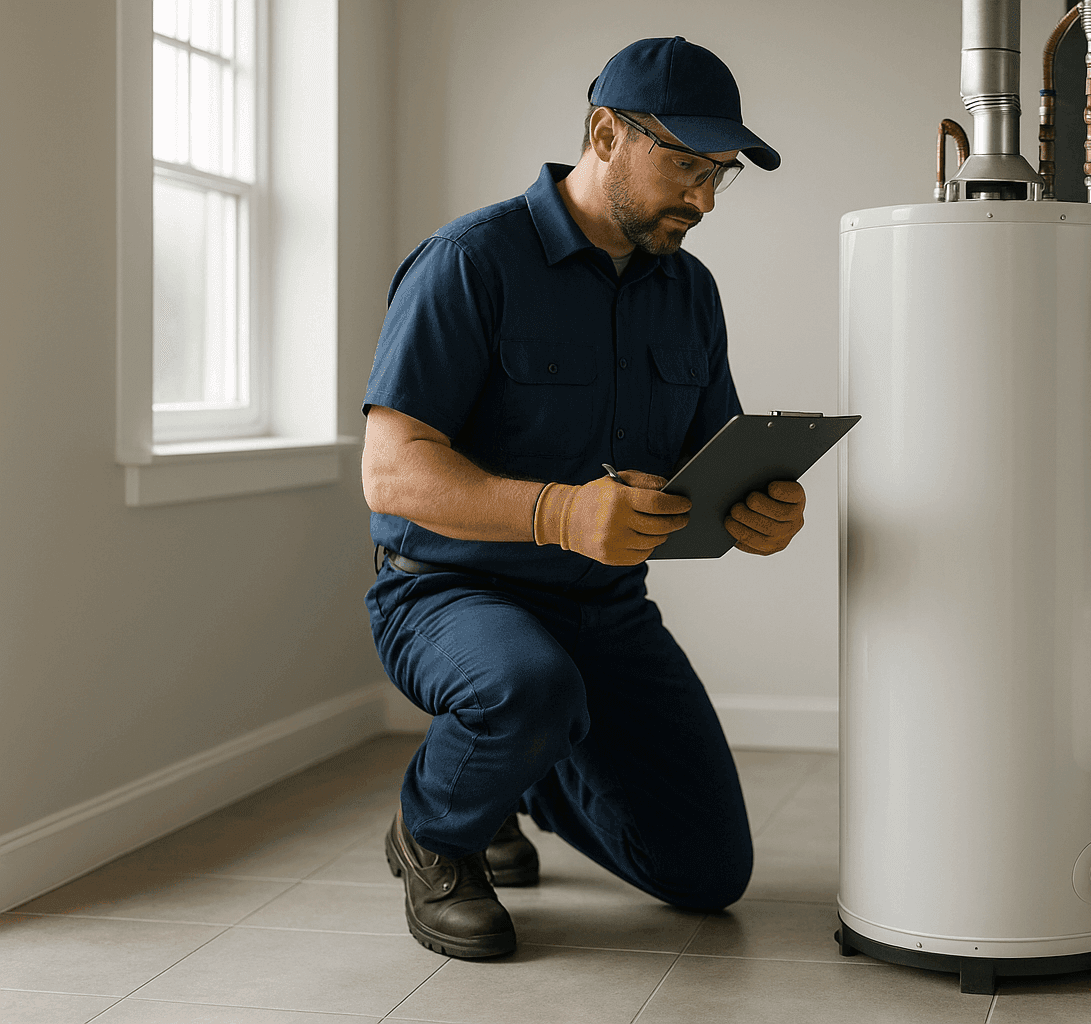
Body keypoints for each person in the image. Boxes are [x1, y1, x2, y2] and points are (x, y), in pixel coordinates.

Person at [360, 36, 805, 960]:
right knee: (528, 684)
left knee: (706, 873)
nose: (705, 197)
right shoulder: (469, 261)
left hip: (606, 611)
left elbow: (703, 462)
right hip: (446, 594)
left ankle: (516, 771)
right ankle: (433, 833)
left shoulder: (690, 293)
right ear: (606, 134)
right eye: (686, 164)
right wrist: (558, 512)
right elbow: (391, 471)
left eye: (721, 173)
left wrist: (756, 509)